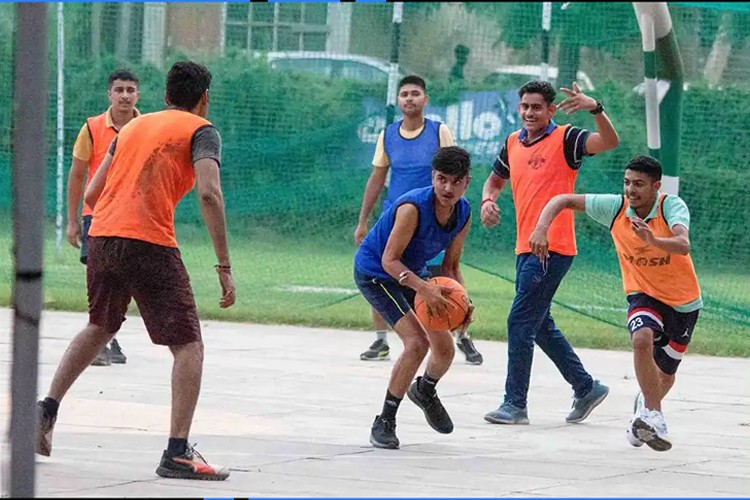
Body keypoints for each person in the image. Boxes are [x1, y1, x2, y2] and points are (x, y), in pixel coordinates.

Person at [36, 61, 236, 480]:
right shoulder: (202, 130)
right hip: (148, 241)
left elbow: (93, 191)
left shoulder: (128, 130)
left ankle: (46, 409)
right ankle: (178, 452)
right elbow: (209, 193)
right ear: (204, 99)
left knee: (100, 325)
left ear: (164, 97)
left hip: (103, 237)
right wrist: (223, 264)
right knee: (188, 345)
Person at [529, 155, 702, 451]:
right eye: (626, 183)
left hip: (683, 302)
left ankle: (641, 418)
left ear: (656, 186)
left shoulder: (670, 206)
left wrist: (653, 241)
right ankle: (653, 414)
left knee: (666, 376)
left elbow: (683, 245)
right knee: (641, 338)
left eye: (639, 184)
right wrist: (542, 227)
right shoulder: (615, 207)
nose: (630, 190)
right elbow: (562, 199)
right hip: (642, 293)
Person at [480, 80, 620, 425]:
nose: (530, 112)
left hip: (552, 247)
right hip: (524, 247)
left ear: (551, 110)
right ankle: (586, 387)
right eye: (525, 106)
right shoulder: (513, 142)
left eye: (537, 107)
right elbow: (495, 180)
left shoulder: (566, 139)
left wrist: (595, 109)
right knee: (539, 324)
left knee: (519, 321)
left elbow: (610, 142)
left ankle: (515, 404)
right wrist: (488, 200)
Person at [354, 75, 483, 365]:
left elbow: (453, 165)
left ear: (425, 100)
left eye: (415, 93)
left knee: (440, 273)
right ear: (398, 101)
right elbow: (377, 178)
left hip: (433, 217)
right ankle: (380, 340)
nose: (409, 98)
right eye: (404, 94)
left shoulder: (438, 132)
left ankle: (462, 333)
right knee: (384, 267)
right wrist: (363, 220)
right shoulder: (387, 135)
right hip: (398, 216)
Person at [354, 146, 475, 449]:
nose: (447, 188)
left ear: (467, 182)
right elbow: (389, 260)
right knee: (417, 343)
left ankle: (425, 389)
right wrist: (423, 287)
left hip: (414, 273)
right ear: (433, 177)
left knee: (445, 350)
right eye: (441, 179)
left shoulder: (463, 212)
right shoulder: (412, 208)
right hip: (376, 272)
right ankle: (385, 420)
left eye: (455, 181)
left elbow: (450, 267)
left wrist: (463, 303)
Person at [67, 68, 141, 366]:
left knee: (126, 279)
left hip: (133, 217)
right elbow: (77, 174)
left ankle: (107, 336)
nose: (125, 95)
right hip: (97, 216)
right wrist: (73, 220)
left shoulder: (147, 126)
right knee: (99, 279)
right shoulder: (92, 127)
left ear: (138, 94)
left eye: (130, 90)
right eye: (119, 89)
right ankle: (98, 340)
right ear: (109, 94)